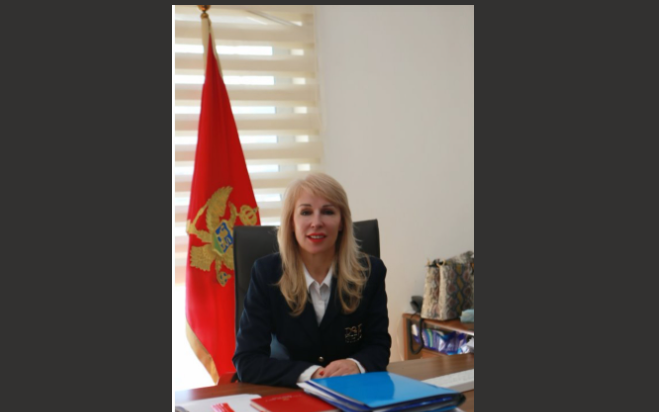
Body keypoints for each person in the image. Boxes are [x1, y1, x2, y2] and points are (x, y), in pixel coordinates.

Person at [233, 173, 391, 387]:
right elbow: (247, 361)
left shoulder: (370, 272)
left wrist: (356, 364)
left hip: (352, 391)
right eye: (306, 212)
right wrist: (311, 374)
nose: (316, 222)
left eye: (328, 212)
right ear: (291, 222)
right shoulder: (267, 273)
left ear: (342, 222)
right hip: (287, 393)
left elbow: (378, 345)